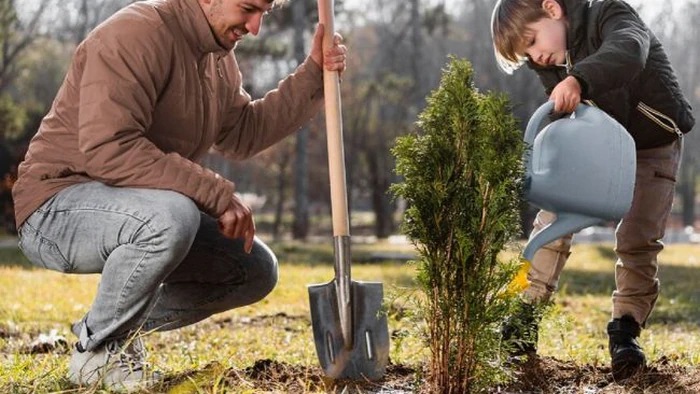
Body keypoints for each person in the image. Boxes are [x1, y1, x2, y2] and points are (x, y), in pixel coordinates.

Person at [12, 0, 347, 390]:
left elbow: (242, 134)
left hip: (136, 207)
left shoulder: (216, 57)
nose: (254, 27)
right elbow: (109, 148)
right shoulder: (137, 33)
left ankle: (110, 330)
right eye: (248, 9)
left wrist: (312, 75)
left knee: (251, 268)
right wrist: (214, 193)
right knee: (174, 215)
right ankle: (98, 351)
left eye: (264, 14)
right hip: (55, 208)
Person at [491, 0, 695, 380]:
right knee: (553, 219)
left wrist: (579, 79)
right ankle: (524, 319)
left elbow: (629, 50)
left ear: (552, 8)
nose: (536, 56)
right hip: (599, 146)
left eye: (532, 40)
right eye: (527, 54)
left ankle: (625, 333)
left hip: (653, 142)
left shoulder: (609, 13)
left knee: (638, 238)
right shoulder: (548, 62)